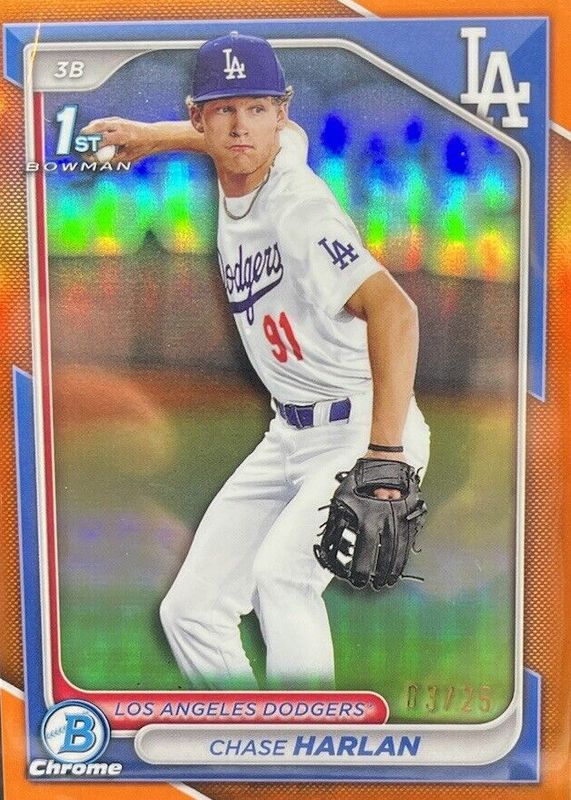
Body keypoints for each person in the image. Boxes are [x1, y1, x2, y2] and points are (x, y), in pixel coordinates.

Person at [83, 32, 430, 689]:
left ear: (281, 111)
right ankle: (247, 725)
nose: (241, 126)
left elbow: (396, 312)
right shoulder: (268, 148)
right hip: (287, 434)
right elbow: (239, 140)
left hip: (361, 430)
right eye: (224, 110)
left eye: (257, 108)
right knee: (192, 612)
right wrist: (152, 137)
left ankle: (313, 739)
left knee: (282, 579)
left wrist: (384, 456)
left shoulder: (298, 208)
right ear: (198, 117)